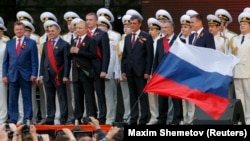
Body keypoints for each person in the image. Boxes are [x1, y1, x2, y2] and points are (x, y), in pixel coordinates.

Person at [2, 21, 38, 124]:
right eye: (17, 29)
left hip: (26, 75)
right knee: (12, 98)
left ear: (24, 30)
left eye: (21, 29)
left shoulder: (31, 42)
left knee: (27, 97)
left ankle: (27, 118)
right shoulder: (9, 43)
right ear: (14, 30)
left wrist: (34, 74)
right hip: (12, 74)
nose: (19, 31)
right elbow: (6, 61)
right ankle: (13, 119)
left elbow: (34, 61)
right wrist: (4, 75)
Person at [121, 14, 154, 125]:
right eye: (131, 23)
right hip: (130, 70)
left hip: (141, 71)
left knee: (142, 96)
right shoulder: (128, 37)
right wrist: (123, 70)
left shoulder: (146, 36)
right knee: (132, 96)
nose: (132, 25)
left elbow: (150, 56)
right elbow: (125, 55)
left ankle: (144, 118)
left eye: (134, 23)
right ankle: (133, 118)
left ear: (139, 24)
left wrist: (147, 71)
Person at [39, 21, 70, 125]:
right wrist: (41, 74)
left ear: (58, 31)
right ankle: (50, 117)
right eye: (49, 31)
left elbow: (67, 61)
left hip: (59, 75)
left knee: (62, 97)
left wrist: (66, 75)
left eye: (52, 31)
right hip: (47, 75)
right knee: (49, 97)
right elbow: (43, 60)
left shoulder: (64, 44)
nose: (50, 33)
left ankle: (63, 118)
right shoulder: (45, 44)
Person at [69, 20, 97, 124]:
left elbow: (93, 55)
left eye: (80, 28)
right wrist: (71, 51)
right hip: (76, 72)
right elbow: (70, 57)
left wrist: (79, 51)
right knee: (77, 97)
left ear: (86, 29)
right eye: (76, 28)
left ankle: (91, 117)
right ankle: (78, 117)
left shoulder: (91, 40)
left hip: (86, 72)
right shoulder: (74, 40)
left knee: (89, 96)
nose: (77, 30)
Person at [85, 12, 110, 124]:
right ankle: (91, 116)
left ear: (96, 21)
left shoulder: (102, 34)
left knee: (99, 93)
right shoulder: (84, 34)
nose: (88, 22)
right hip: (86, 69)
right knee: (89, 94)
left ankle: (102, 117)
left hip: (98, 68)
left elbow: (106, 53)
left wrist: (104, 70)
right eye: (87, 20)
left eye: (90, 20)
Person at [230, 11, 250, 125]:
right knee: (239, 97)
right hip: (237, 72)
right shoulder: (235, 39)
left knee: (248, 96)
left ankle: (249, 118)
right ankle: (242, 118)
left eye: (245, 24)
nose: (242, 26)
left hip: (248, 72)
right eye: (241, 24)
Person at [62, 11, 80, 124]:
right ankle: (71, 115)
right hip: (68, 71)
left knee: (79, 96)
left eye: (73, 24)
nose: (70, 26)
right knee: (70, 96)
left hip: (80, 70)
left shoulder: (81, 36)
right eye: (68, 24)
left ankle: (80, 115)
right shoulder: (64, 38)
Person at [115, 14, 132, 123]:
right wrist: (117, 73)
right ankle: (127, 114)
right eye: (124, 27)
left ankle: (135, 115)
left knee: (134, 95)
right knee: (126, 96)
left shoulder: (137, 40)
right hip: (123, 72)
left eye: (128, 26)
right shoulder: (119, 43)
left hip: (134, 72)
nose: (126, 29)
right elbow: (117, 61)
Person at [178, 14, 194, 125]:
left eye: (185, 27)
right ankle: (185, 117)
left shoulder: (194, 39)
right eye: (182, 27)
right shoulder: (179, 40)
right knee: (183, 97)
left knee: (192, 96)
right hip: (182, 72)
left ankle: (191, 118)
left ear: (191, 28)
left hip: (192, 72)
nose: (183, 29)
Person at [146, 17, 161, 125]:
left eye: (152, 30)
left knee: (163, 97)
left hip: (160, 73)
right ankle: (154, 116)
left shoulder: (161, 42)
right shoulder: (147, 41)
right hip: (150, 72)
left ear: (158, 31)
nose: (150, 32)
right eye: (149, 30)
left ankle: (163, 116)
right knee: (151, 96)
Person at [0, 40, 8, 124]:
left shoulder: (5, 45)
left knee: (2, 98)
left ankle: (2, 119)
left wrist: (6, 75)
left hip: (2, 74)